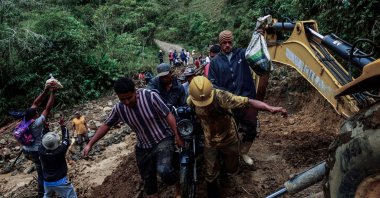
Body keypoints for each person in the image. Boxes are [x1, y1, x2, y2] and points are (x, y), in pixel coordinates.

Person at [83, 77, 184, 198]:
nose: (126, 102)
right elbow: (106, 125)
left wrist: (177, 135)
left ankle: (178, 186)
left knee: (164, 170)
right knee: (148, 180)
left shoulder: (150, 96)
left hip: (163, 138)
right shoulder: (119, 108)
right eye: (122, 99)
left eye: (129, 98)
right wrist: (90, 144)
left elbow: (168, 115)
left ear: (135, 92)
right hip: (143, 145)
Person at [187, 76, 287, 197]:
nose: (204, 106)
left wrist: (270, 108)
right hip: (210, 141)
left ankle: (224, 172)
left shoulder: (222, 97)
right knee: (210, 174)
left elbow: (248, 102)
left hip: (229, 138)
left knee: (232, 168)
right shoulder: (192, 101)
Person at [208, 30, 258, 165]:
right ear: (220, 44)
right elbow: (212, 83)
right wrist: (227, 96)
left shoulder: (242, 54)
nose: (227, 45)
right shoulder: (215, 62)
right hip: (228, 103)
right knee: (231, 132)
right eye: (224, 43)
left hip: (246, 98)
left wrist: (259, 34)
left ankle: (244, 152)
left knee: (252, 127)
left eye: (230, 42)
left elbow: (256, 49)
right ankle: (232, 156)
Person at [22, 80, 59, 197]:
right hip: (35, 152)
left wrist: (45, 91)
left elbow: (35, 103)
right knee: (42, 173)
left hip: (26, 150)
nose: (38, 112)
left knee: (42, 169)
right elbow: (47, 109)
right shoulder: (37, 123)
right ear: (34, 116)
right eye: (37, 113)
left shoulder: (25, 118)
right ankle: (42, 194)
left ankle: (47, 190)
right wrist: (53, 93)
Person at [39, 115, 77, 198]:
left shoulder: (41, 150)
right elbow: (66, 139)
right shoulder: (59, 151)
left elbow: (42, 138)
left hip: (47, 181)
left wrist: (45, 127)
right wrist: (63, 125)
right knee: (71, 196)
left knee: (47, 195)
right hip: (60, 181)